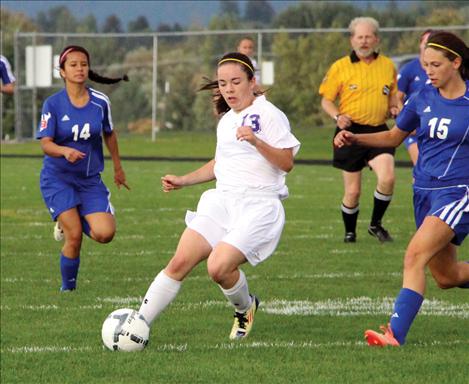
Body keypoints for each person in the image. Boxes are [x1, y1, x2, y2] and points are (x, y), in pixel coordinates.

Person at [125, 52, 300, 341]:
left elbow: (286, 163)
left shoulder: (270, 115)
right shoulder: (227, 122)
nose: (228, 89)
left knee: (218, 267)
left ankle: (245, 308)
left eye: (235, 82)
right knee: (179, 261)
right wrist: (184, 180)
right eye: (222, 83)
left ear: (252, 82)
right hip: (222, 201)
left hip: (259, 205)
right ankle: (137, 325)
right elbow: (220, 164)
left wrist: (257, 141)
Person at [334, 31, 469, 346]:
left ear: (456, 63)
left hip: (458, 192)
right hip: (423, 192)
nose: (429, 71)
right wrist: (356, 137)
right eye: (425, 65)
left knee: (414, 256)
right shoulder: (421, 97)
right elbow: (394, 137)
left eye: (436, 65)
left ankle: (395, 334)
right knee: (447, 277)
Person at [36, 45, 130, 292]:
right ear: (63, 71)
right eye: (73, 65)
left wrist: (118, 168)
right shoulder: (53, 104)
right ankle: (68, 290)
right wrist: (64, 150)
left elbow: (109, 134)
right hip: (58, 179)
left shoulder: (100, 102)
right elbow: (46, 144)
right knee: (74, 236)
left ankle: (69, 219)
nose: (79, 69)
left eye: (83, 64)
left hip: (89, 180)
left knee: (105, 234)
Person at [319, 17, 399, 243]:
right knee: (353, 193)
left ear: (377, 39)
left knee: (388, 177)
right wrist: (338, 116)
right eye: (359, 37)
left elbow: (393, 94)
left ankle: (375, 225)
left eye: (368, 37)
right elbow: (326, 100)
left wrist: (394, 106)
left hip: (378, 132)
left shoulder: (388, 65)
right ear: (352, 39)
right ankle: (350, 232)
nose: (364, 41)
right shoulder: (340, 66)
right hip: (350, 133)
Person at [397, 29, 433, 165]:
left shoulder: (442, 71)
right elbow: (397, 97)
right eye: (426, 42)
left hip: (432, 126)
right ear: (420, 45)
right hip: (414, 129)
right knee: (421, 164)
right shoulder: (409, 69)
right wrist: (405, 120)